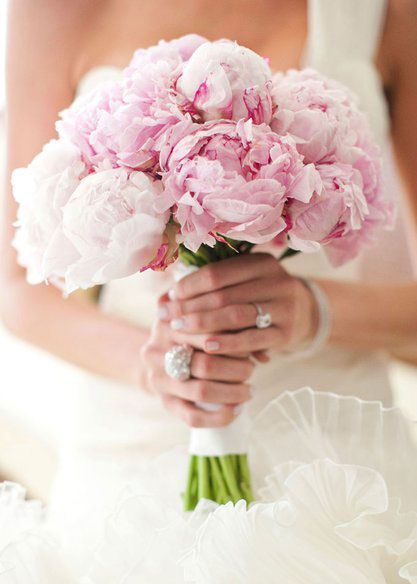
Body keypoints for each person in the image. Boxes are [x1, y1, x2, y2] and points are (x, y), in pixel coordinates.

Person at [1, 0, 417, 571]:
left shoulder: (389, 11)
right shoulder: (52, 11)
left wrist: (313, 310)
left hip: (337, 456)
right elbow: (18, 287)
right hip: (135, 448)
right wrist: (156, 365)